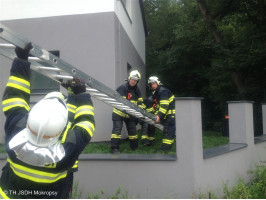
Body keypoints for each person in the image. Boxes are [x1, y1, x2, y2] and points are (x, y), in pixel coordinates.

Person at [0, 43, 95, 199]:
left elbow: (14, 98)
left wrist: (21, 62)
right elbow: (84, 124)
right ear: (61, 130)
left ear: (30, 118)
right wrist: (80, 95)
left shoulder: (15, 132)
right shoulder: (66, 150)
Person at [110, 70, 144, 154]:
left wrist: (139, 114)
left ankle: (134, 148)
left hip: (130, 114)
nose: (133, 81)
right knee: (117, 131)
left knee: (133, 131)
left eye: (135, 80)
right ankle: (115, 149)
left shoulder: (137, 90)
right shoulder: (122, 88)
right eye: (132, 79)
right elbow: (123, 104)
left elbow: (140, 102)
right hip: (119, 113)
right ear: (129, 78)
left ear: (137, 81)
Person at [147, 76, 176, 151]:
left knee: (168, 131)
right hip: (167, 115)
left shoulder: (163, 91)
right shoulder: (157, 92)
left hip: (170, 114)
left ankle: (165, 149)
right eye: (151, 84)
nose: (152, 85)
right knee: (168, 131)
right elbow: (158, 106)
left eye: (154, 83)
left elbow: (164, 106)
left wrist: (158, 116)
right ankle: (166, 148)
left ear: (157, 83)